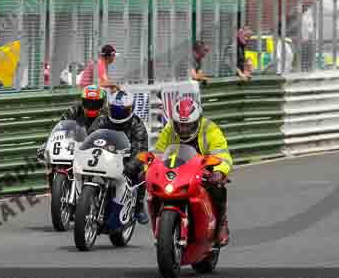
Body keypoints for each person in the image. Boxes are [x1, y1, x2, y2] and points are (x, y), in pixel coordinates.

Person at [153, 99, 232, 247]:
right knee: (155, 192)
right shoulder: (169, 130)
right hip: (176, 172)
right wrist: (148, 171)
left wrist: (219, 172)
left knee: (218, 188)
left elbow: (222, 154)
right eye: (180, 125)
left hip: (203, 171)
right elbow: (158, 153)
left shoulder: (210, 129)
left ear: (197, 122)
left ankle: (221, 223)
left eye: (187, 125)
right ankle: (161, 226)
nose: (183, 130)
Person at [88, 90, 149, 224]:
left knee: (141, 172)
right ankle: (83, 199)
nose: (118, 114)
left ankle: (139, 206)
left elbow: (140, 150)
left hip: (125, 160)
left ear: (131, 110)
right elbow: (90, 136)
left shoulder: (137, 124)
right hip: (104, 156)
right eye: (115, 110)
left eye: (122, 111)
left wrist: (130, 166)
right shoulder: (102, 119)